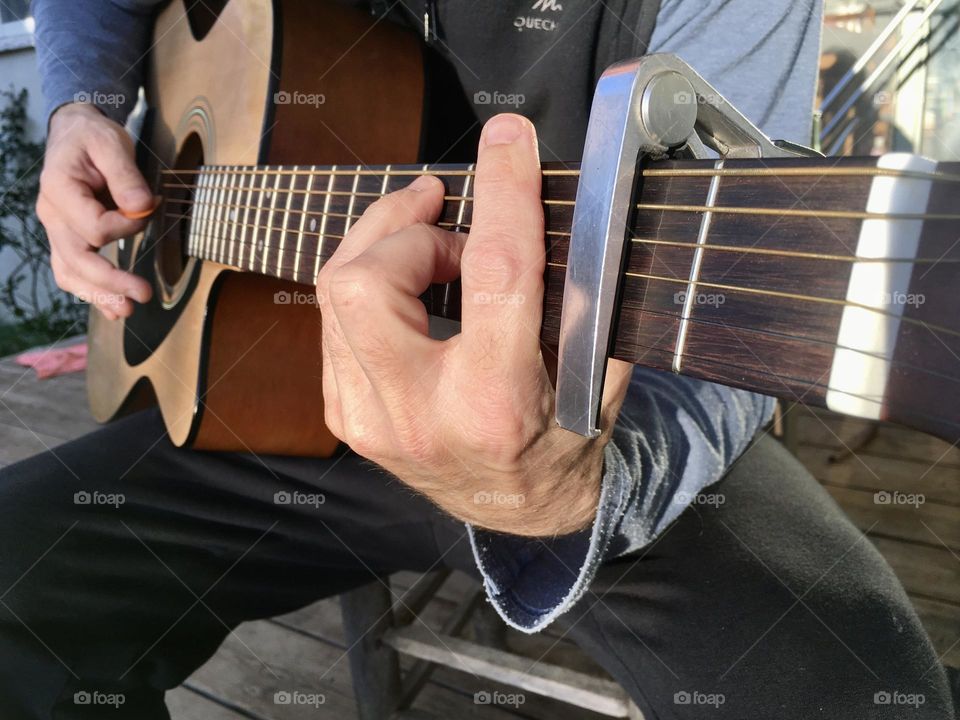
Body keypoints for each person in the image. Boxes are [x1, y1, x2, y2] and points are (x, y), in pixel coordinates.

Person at [1, 0, 953, 717]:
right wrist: (82, 106)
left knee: (857, 688)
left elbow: (732, 291)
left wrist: (559, 488)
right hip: (276, 394)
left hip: (592, 426)